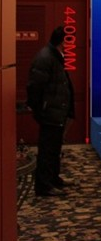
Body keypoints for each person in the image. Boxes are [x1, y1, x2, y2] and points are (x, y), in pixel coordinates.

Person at [27, 26, 75, 197]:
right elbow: (35, 87)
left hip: (56, 112)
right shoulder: (46, 58)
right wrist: (40, 110)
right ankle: (44, 186)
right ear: (63, 41)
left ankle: (53, 179)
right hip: (50, 113)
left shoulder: (56, 56)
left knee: (54, 149)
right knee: (47, 151)